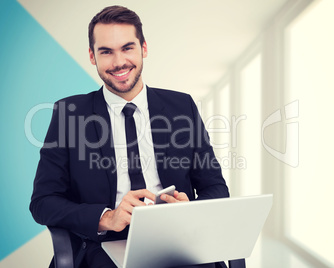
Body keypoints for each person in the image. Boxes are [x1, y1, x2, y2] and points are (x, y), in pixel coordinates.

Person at [30, 5, 234, 268]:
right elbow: (43, 202)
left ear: (144, 49)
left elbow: (216, 188)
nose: (118, 62)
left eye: (127, 48)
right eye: (106, 52)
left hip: (179, 242)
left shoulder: (182, 107)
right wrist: (106, 217)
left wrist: (190, 211)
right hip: (103, 249)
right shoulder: (69, 114)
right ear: (92, 56)